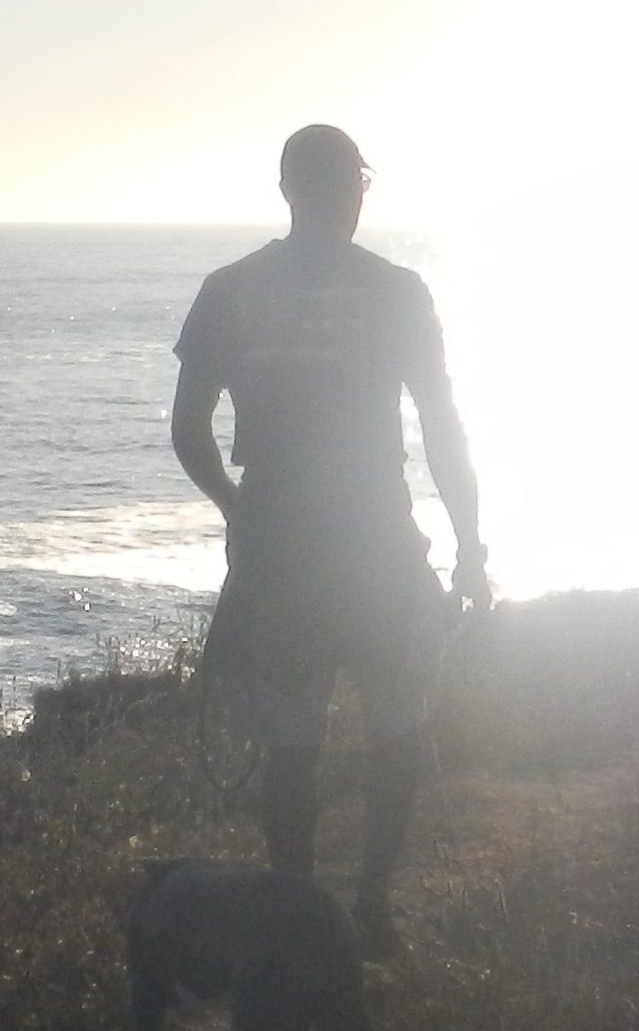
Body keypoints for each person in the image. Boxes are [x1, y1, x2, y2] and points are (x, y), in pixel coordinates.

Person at [172, 124, 485, 949]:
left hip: (277, 541)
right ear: (355, 191)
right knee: (398, 724)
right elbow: (443, 430)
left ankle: (297, 919)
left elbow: (188, 429)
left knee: (289, 744)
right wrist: (471, 548)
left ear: (287, 191)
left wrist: (236, 509)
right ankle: (372, 905)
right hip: (377, 534)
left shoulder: (230, 290)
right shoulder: (397, 291)